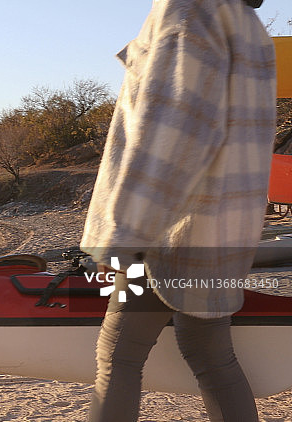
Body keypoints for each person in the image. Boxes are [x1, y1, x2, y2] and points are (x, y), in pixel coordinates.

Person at [80, 0, 275, 421]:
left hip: (168, 232)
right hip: (224, 235)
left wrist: (125, 229)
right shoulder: (246, 21)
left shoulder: (190, 8)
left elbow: (173, 127)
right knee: (212, 357)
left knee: (118, 357)